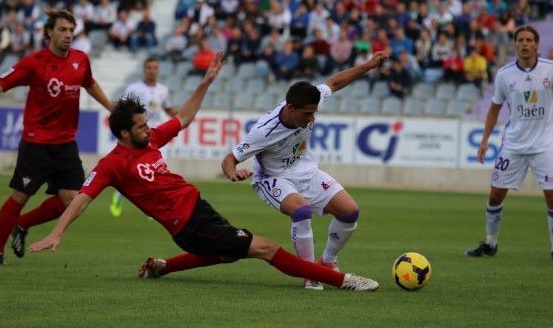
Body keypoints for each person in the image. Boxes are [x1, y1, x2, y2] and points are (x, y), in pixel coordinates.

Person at [27, 53, 378, 292]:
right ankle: (342, 280)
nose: (150, 128)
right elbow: (83, 198)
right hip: (187, 225)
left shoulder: (150, 141)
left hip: (199, 209)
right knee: (267, 249)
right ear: (123, 134)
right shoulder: (112, 164)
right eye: (141, 125)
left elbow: (184, 119)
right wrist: (58, 232)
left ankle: (162, 267)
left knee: (225, 253)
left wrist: (207, 81)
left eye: (147, 122)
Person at [220, 50, 389, 290]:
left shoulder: (311, 99)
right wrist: (233, 172)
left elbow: (335, 82)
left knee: (350, 212)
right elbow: (230, 159)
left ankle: (327, 262)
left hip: (305, 170)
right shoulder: (264, 131)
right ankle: (310, 273)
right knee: (301, 211)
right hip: (273, 178)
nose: (311, 119)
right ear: (290, 108)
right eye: (307, 114)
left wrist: (369, 65)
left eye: (314, 113)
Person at [0, 9, 113, 265]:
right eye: (62, 30)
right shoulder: (34, 63)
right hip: (37, 144)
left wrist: (110, 106)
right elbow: (3, 81)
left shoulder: (80, 59)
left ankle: (21, 225)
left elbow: (89, 83)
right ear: (49, 32)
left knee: (72, 201)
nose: (68, 35)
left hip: (66, 144)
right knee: (19, 197)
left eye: (71, 30)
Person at [466, 25, 553, 262]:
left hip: (544, 146)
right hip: (513, 145)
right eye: (521, 40)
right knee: (496, 194)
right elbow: (494, 109)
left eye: (530, 40)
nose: (525, 44)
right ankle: (490, 244)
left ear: (536, 44)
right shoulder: (504, 75)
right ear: (515, 44)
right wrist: (485, 140)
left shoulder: (552, 70)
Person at [110, 57, 176, 218]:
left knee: (158, 170)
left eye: (155, 68)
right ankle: (118, 196)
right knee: (132, 170)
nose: (152, 70)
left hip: (157, 135)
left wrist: (181, 118)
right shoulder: (134, 88)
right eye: (149, 68)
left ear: (158, 70)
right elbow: (122, 109)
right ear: (144, 70)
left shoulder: (163, 90)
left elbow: (168, 108)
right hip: (138, 136)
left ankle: (153, 206)